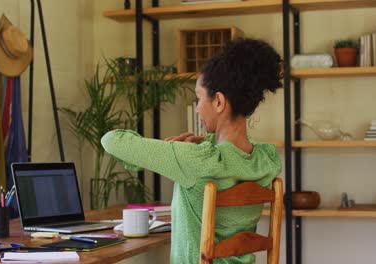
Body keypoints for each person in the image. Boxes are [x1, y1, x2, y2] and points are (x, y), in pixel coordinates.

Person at [101, 38, 283, 264]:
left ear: (218, 101)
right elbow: (227, 158)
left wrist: (173, 149)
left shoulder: (194, 159)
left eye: (198, 98)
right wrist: (205, 142)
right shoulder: (265, 160)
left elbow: (111, 140)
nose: (197, 108)